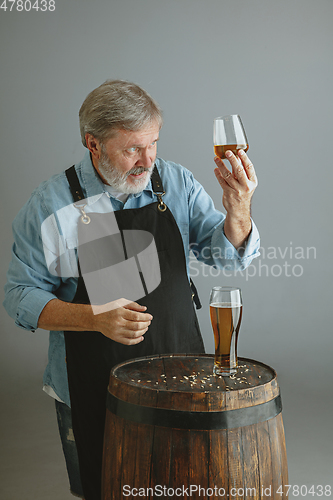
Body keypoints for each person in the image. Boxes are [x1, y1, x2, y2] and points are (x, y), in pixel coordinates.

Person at [3, 80, 260, 500]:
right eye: (131, 149)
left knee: (184, 485)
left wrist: (239, 210)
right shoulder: (54, 204)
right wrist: (93, 317)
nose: (147, 160)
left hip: (181, 376)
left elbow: (228, 257)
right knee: (105, 487)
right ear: (93, 144)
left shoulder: (174, 183)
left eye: (153, 143)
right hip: (92, 384)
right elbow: (18, 296)